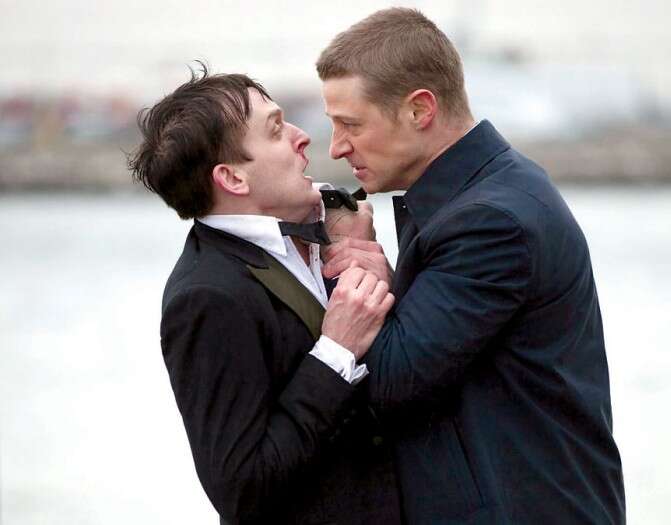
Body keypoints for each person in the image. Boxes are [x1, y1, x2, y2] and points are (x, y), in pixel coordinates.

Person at [317, 8, 626, 524]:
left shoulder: (489, 223)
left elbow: (391, 383)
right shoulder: (486, 192)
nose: (336, 147)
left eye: (351, 124)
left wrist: (356, 270)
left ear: (420, 109)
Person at [128, 65, 402, 524]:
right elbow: (242, 487)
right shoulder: (206, 297)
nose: (302, 137)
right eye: (276, 130)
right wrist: (336, 351)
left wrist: (382, 275)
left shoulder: (332, 225)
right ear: (233, 179)